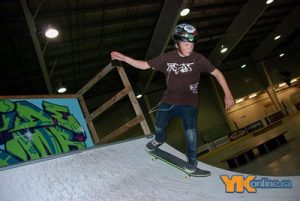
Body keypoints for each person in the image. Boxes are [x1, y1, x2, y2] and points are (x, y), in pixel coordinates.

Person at [111, 23, 235, 173]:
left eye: (192, 44)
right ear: (177, 44)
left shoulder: (199, 59)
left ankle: (192, 161)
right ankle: (159, 139)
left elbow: (217, 73)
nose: (190, 47)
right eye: (185, 43)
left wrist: (227, 93)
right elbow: (144, 65)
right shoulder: (166, 58)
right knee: (159, 126)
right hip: (168, 101)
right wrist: (124, 58)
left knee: (191, 133)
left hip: (189, 104)